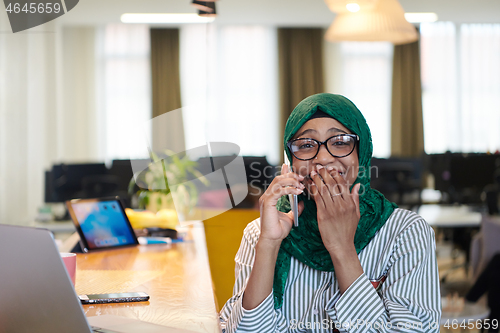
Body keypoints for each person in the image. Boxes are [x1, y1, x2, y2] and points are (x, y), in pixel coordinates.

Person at [220, 93, 441, 332]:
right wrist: (269, 244)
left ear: (362, 152)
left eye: (340, 142)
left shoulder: (406, 232)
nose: (323, 158)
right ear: (290, 160)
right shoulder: (261, 232)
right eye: (306, 145)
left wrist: (342, 248)